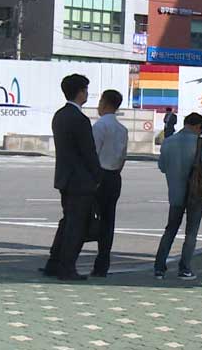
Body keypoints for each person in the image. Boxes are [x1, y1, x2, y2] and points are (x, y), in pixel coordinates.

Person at [43, 74, 102, 281]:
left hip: (65, 177)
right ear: (80, 92)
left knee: (68, 221)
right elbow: (89, 152)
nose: (87, 93)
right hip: (81, 180)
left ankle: (54, 262)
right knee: (76, 226)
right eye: (85, 90)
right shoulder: (80, 119)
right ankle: (67, 267)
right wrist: (98, 175)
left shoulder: (59, 115)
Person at [154, 113, 202, 280]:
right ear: (198, 127)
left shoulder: (168, 141)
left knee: (170, 229)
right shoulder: (200, 143)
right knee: (191, 232)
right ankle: (184, 268)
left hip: (174, 193)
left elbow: (162, 167)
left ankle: (159, 268)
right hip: (195, 194)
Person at [90, 89, 129, 277]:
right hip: (114, 176)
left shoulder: (99, 126)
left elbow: (93, 153)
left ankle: (69, 257)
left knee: (87, 217)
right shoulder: (122, 129)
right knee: (108, 221)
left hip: (99, 175)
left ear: (104, 103)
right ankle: (103, 262)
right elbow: (122, 157)